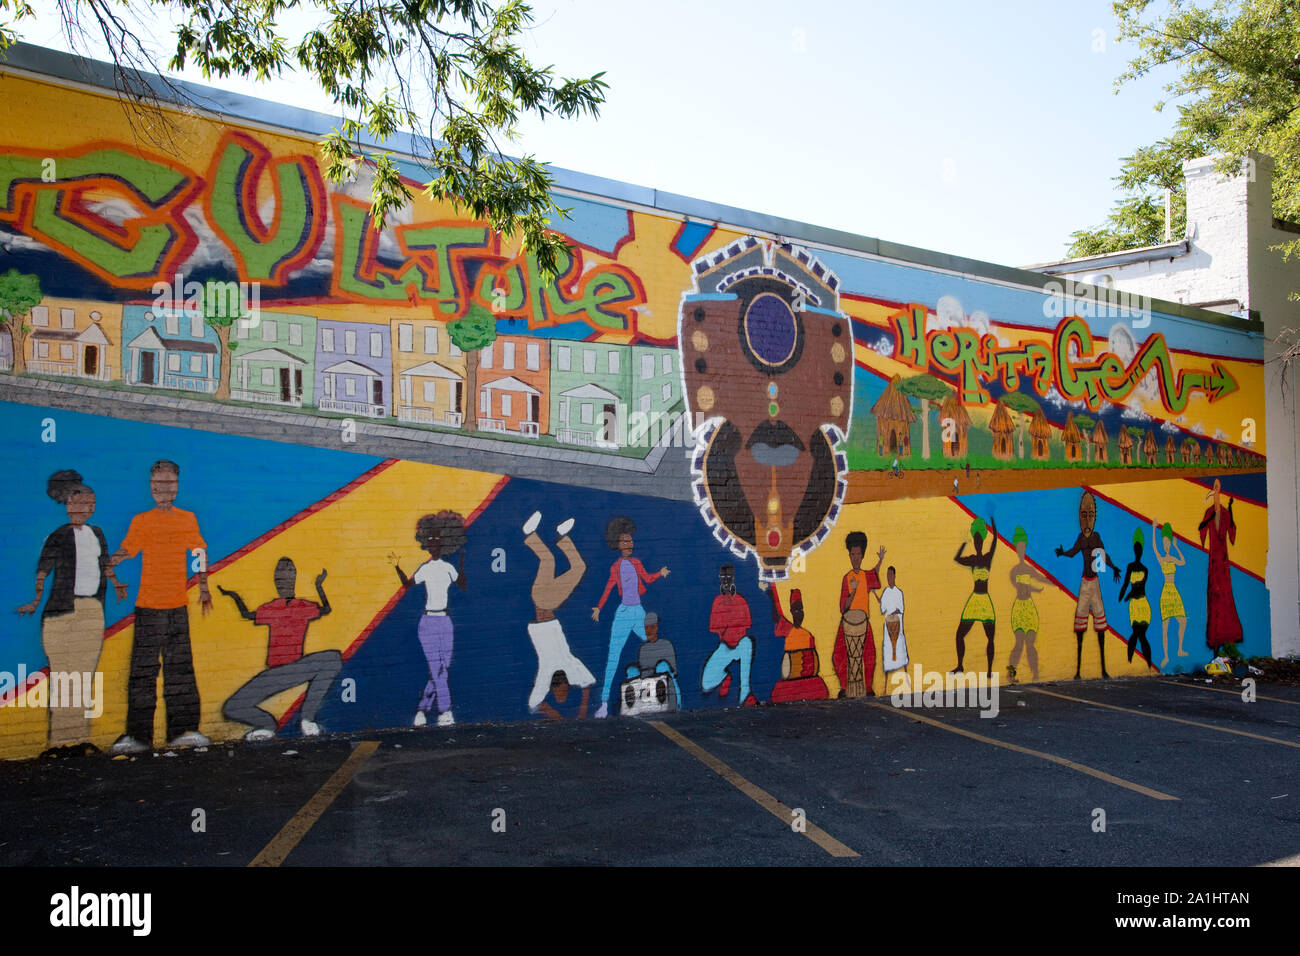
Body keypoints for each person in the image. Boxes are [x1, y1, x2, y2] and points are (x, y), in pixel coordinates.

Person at [16, 470, 127, 753]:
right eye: (77, 503)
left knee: (83, 676)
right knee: (64, 677)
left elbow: (104, 563)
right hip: (61, 613)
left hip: (92, 610)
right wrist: (36, 599)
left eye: (89, 504)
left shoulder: (98, 533)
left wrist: (116, 584)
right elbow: (44, 569)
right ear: (67, 505)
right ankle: (60, 742)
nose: (83, 509)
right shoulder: (59, 535)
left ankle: (78, 740)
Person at [108, 460, 211, 754]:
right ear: (150, 487)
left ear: (177, 487)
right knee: (143, 672)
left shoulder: (187, 518)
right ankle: (138, 736)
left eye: (168, 484)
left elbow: (199, 551)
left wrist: (204, 587)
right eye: (157, 485)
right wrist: (110, 562)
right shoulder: (142, 520)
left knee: (180, 670)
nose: (162, 490)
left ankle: (183, 731)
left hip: (177, 605)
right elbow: (128, 548)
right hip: (148, 606)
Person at [218, 558, 341, 739]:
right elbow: (246, 614)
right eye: (280, 577)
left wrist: (319, 585)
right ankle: (267, 724)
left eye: (288, 574)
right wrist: (234, 595)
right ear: (276, 581)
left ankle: (307, 718)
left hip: (297, 667)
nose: (283, 580)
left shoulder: (303, 606)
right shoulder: (270, 608)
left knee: (332, 658)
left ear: (294, 578)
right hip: (274, 674)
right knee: (232, 707)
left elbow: (326, 609)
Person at [591, 516, 669, 719]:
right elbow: (609, 587)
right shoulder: (616, 567)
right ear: (618, 544)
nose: (630, 543)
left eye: (631, 540)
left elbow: (648, 578)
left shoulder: (636, 563)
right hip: (624, 613)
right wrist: (599, 608)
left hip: (638, 611)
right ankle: (604, 704)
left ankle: (661, 691)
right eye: (625, 541)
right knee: (613, 657)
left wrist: (660, 573)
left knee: (654, 645)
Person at [394, 511, 467, 727]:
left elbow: (462, 585)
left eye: (438, 539)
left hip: (446, 622)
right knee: (437, 670)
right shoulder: (425, 569)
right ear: (426, 542)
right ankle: (445, 711)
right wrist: (397, 568)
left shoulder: (448, 568)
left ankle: (422, 710)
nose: (434, 543)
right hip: (428, 623)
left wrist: (461, 565)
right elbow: (408, 585)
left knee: (442, 670)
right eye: (431, 539)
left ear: (444, 543)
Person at [523, 512, 595, 720]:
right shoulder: (572, 667)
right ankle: (549, 535)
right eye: (564, 692)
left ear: (554, 691)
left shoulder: (545, 675)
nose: (561, 693)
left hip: (542, 599)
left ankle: (541, 535)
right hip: (547, 601)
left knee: (557, 562)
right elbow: (588, 685)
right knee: (563, 563)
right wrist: (582, 711)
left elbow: (534, 703)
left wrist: (557, 717)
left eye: (559, 694)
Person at [1055, 490, 1120, 679]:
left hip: (1095, 584)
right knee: (1080, 626)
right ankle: (1077, 670)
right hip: (1085, 583)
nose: (1087, 520)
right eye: (1084, 515)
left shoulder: (1095, 538)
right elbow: (1073, 552)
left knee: (1100, 626)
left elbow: (1103, 555)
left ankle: (1103, 669)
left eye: (1090, 515)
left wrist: (1114, 567)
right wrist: (1062, 553)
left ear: (1095, 518)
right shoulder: (1082, 539)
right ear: (1079, 518)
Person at [834, 530, 885, 698]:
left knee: (870, 654)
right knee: (838, 655)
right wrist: (853, 591)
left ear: (862, 556)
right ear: (849, 555)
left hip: (864, 623)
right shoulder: (846, 578)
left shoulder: (865, 576)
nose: (855, 557)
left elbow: (875, 573)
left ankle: (868, 688)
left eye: (858, 554)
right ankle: (844, 688)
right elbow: (844, 607)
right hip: (847, 623)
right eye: (852, 554)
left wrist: (881, 560)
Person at [701, 564, 757, 706]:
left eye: (728, 577)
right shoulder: (717, 602)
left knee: (747, 644)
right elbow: (715, 628)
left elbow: (746, 626)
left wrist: (731, 600)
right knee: (706, 684)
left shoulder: (741, 601)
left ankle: (745, 693)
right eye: (723, 577)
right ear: (719, 579)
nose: (726, 580)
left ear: (733, 578)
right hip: (725, 646)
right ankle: (725, 677)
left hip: (740, 644)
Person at [1198, 480, 1243, 652]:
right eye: (1214, 487)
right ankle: (1216, 638)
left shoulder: (1224, 513)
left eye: (1217, 487)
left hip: (1222, 560)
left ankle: (1227, 637)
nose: (1215, 489)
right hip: (1214, 560)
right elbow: (1202, 528)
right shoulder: (1210, 512)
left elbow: (1232, 531)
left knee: (1224, 597)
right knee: (1214, 599)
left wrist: (1230, 509)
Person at [764, 583, 828, 702]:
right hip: (791, 673)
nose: (799, 613)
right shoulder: (788, 629)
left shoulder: (808, 635)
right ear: (791, 612)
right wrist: (773, 598)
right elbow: (776, 617)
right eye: (796, 610)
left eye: (801, 609)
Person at [952, 516, 998, 679]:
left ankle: (990, 670)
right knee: (959, 634)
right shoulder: (972, 559)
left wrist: (994, 526)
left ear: (983, 540)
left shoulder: (986, 558)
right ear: (974, 541)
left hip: (984, 600)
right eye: (975, 539)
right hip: (975, 600)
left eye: (979, 539)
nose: (978, 542)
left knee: (990, 636)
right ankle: (960, 665)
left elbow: (995, 544)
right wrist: (964, 543)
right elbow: (957, 558)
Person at [1006, 526, 1049, 683]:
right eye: (1018, 548)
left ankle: (1036, 674)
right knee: (1018, 643)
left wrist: (1054, 582)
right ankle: (1011, 674)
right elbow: (1021, 587)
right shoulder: (1014, 570)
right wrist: (1036, 589)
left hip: (1029, 608)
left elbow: (1039, 577)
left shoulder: (1028, 569)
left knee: (1030, 643)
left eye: (1023, 548)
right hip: (1019, 608)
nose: (1021, 551)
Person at [621, 611, 680, 712]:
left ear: (657, 628)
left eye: (652, 627)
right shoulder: (643, 649)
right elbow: (642, 673)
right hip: (647, 686)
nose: (649, 631)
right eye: (646, 628)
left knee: (662, 667)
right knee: (632, 671)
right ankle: (631, 707)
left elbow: (672, 673)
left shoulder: (666, 645)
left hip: (663, 687)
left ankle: (668, 705)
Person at [1117, 529, 1156, 671]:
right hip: (1134, 605)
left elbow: (1139, 585)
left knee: (1141, 634)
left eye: (1139, 549)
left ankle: (1142, 662)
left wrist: (1126, 595)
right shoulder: (1130, 566)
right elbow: (1125, 583)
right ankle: (1135, 661)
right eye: (1136, 549)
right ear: (1135, 550)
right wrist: (1121, 595)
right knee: (1138, 634)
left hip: (1143, 604)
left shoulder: (1145, 569)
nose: (1138, 551)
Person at [1152, 519, 1189, 668]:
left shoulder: (1172, 559)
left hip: (1174, 591)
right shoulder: (1161, 559)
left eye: (1168, 543)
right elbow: (1154, 547)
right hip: (1166, 592)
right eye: (1165, 543)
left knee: (1182, 620)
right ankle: (1166, 656)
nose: (1166, 545)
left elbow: (1183, 562)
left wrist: (1176, 546)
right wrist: (1154, 530)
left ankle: (1180, 648)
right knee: (1165, 626)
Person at [878, 567, 910, 695]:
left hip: (898, 628)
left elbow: (900, 608)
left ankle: (908, 681)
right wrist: (882, 603)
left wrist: (893, 612)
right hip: (888, 629)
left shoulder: (899, 592)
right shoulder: (885, 592)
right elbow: (883, 609)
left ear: (895, 576)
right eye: (887, 575)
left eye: (891, 574)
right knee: (887, 654)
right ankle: (885, 688)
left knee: (902, 654)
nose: (889, 577)